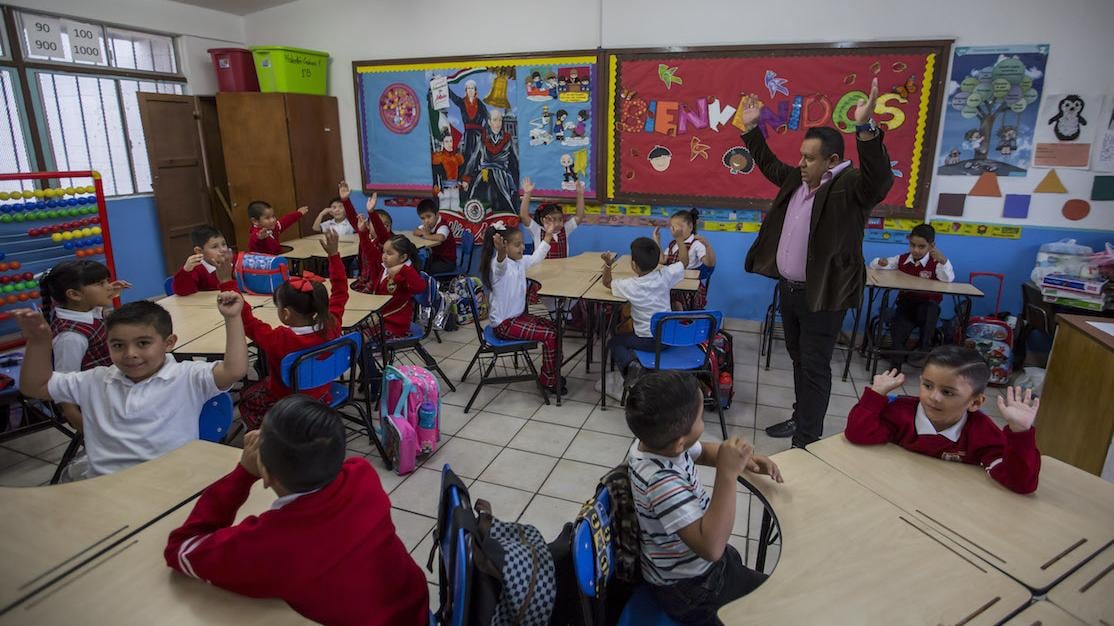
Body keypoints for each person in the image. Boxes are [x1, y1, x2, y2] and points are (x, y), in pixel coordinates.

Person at [164, 396, 429, 626]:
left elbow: (181, 548)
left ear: (265, 474)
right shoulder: (362, 475)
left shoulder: (270, 545)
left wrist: (243, 473)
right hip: (414, 612)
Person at [739, 78, 894, 448]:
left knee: (814, 365)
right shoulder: (798, 179)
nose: (801, 162)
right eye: (802, 155)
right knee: (798, 360)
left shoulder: (850, 187)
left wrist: (866, 129)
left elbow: (880, 180)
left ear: (833, 161)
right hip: (789, 290)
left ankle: (807, 439)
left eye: (809, 157)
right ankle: (800, 418)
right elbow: (770, 166)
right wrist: (751, 128)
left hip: (823, 295)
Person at [14, 296, 247, 477]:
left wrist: (233, 318)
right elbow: (35, 386)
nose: (130, 354)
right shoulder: (94, 380)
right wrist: (38, 342)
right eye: (118, 345)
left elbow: (234, 370)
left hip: (173, 483)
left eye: (143, 343)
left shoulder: (186, 376)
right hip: (108, 486)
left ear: (169, 343)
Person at [626, 371, 782, 625]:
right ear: (679, 442)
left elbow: (705, 453)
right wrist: (727, 475)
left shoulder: (657, 443)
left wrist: (744, 461)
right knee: (777, 603)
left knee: (770, 589)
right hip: (688, 589)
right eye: (700, 418)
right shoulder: (661, 482)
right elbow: (711, 547)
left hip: (700, 569)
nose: (704, 423)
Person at [845, 346, 1041, 494]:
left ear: (975, 402)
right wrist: (875, 394)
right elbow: (857, 433)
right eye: (927, 385)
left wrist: (1020, 433)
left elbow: (1020, 483)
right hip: (893, 491)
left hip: (949, 505)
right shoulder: (901, 412)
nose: (934, 397)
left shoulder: (982, 433)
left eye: (947, 392)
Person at [235, 231, 348, 430]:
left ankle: (272, 435)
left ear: (285, 313)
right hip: (323, 394)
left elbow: (246, 320)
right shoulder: (332, 323)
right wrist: (333, 255)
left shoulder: (279, 338)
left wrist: (227, 282)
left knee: (245, 397)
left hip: (289, 402)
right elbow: (340, 291)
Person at [39, 260, 132, 429]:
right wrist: (78, 421)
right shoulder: (70, 337)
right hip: (99, 404)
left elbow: (97, 317)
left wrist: (109, 293)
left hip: (112, 387)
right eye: (100, 283)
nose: (109, 286)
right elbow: (63, 384)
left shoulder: (84, 310)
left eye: (107, 281)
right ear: (74, 295)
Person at [480, 222, 564, 394]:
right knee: (551, 335)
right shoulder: (498, 267)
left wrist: (548, 235)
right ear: (504, 246)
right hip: (504, 325)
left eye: (522, 244)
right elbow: (500, 262)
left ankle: (553, 372)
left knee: (555, 328)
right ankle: (548, 381)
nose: (521, 248)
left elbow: (536, 257)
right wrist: (501, 252)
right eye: (516, 245)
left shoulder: (520, 262)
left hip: (517, 318)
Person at [598, 237, 686, 399]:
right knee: (628, 338)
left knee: (615, 342)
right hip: (668, 339)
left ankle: (632, 367)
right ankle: (639, 365)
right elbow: (684, 262)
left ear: (634, 265)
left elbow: (607, 282)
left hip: (646, 340)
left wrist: (608, 264)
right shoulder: (665, 275)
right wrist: (680, 239)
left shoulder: (629, 285)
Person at [869, 224, 954, 371]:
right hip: (906, 306)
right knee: (899, 330)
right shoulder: (902, 259)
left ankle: (924, 350)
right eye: (912, 245)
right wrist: (879, 262)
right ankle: (895, 368)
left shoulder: (937, 262)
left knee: (930, 310)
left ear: (931, 245)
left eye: (921, 246)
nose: (915, 250)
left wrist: (943, 261)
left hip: (927, 306)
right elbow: (875, 265)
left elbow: (947, 279)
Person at [653, 209, 717, 310]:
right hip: (673, 282)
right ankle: (665, 320)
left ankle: (681, 322)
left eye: (680, 227)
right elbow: (663, 260)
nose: (677, 230)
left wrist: (708, 246)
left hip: (689, 287)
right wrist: (657, 241)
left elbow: (709, 263)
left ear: (690, 227)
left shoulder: (696, 243)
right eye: (674, 227)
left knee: (676, 299)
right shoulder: (673, 244)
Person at [467, 108, 520, 218]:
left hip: (502, 175)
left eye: (500, 120)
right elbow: (474, 158)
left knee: (504, 203)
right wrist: (465, 178)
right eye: (495, 120)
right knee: (480, 199)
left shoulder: (508, 139)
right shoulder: (482, 138)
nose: (498, 123)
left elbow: (516, 160)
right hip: (485, 173)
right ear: (489, 122)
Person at [172, 226, 235, 296]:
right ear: (199, 251)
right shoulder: (197, 269)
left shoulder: (235, 262)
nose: (223, 249)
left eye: (224, 244)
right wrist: (186, 271)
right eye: (215, 247)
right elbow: (182, 291)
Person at [449, 79, 489, 185]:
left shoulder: (480, 104)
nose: (470, 90)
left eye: (472, 88)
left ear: (475, 90)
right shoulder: (462, 102)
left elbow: (487, 117)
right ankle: (465, 180)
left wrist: (484, 131)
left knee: (477, 156)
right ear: (465, 90)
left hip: (478, 135)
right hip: (468, 134)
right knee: (466, 155)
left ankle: (478, 180)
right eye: (468, 88)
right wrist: (443, 86)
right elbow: (452, 96)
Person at [414, 198, 458, 275]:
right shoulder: (429, 225)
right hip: (436, 258)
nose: (426, 221)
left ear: (437, 215)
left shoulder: (443, 225)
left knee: (425, 268)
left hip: (447, 262)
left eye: (428, 217)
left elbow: (441, 237)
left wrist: (426, 235)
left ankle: (430, 285)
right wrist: (423, 232)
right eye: (423, 218)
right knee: (419, 264)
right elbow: (416, 231)